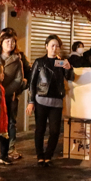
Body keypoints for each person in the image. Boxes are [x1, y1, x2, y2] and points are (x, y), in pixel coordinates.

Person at [27, 34, 74, 166]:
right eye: (52, 45)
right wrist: (31, 101)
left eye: (57, 46)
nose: (54, 48)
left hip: (56, 101)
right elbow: (32, 82)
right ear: (46, 46)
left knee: (55, 131)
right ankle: (40, 156)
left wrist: (69, 68)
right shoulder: (39, 62)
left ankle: (48, 155)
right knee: (40, 129)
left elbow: (70, 78)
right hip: (41, 100)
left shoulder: (61, 62)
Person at [0, 28, 27, 161]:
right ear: (1, 42)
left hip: (9, 96)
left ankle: (7, 151)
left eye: (13, 41)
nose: (10, 44)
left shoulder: (17, 59)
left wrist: (5, 91)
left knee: (9, 123)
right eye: (7, 41)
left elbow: (19, 79)